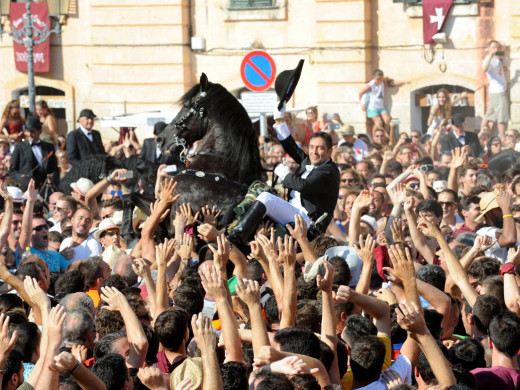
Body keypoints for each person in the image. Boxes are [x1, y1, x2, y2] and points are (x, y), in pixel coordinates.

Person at [227, 104, 340, 244]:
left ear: (329, 152)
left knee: (266, 198)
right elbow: (291, 147)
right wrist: (280, 120)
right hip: (293, 211)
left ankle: (233, 240)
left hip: (308, 221)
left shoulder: (329, 170)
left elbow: (303, 186)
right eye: (311, 147)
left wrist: (285, 174)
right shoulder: (309, 161)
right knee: (256, 191)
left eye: (320, 148)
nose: (314, 152)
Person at [8, 116, 59, 192]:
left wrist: (52, 176)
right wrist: (22, 177)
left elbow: (55, 169)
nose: (30, 134)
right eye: (28, 131)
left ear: (40, 131)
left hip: (45, 189)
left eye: (33, 131)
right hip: (27, 189)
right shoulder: (19, 147)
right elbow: (12, 172)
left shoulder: (49, 147)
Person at [358, 69, 408, 136]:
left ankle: (384, 136)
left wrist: (404, 82)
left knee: (387, 120)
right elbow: (360, 92)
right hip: (372, 107)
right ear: (374, 77)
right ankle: (375, 139)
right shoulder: (371, 85)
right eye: (377, 79)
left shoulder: (383, 81)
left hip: (381, 107)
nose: (379, 81)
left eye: (380, 79)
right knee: (378, 123)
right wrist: (362, 104)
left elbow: (392, 82)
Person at [482, 40, 509, 141]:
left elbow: (505, 55)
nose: (496, 50)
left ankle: (483, 136)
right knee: (501, 118)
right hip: (498, 92)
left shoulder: (499, 58)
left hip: (497, 91)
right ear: (488, 48)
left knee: (489, 115)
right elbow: (484, 69)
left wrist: (502, 48)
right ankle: (502, 139)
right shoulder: (488, 60)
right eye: (493, 47)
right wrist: (490, 55)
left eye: (497, 47)